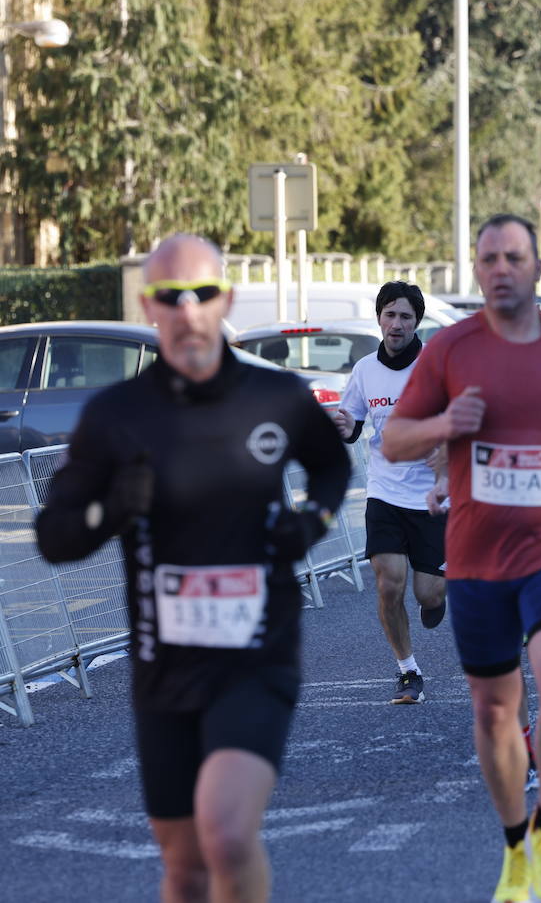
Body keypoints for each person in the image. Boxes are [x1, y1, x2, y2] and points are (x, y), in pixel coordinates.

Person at [34, 234, 350, 903]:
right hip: (165, 667)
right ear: (149, 308)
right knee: (183, 866)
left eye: (202, 294)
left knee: (228, 833)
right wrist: (111, 511)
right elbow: (55, 537)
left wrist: (310, 522)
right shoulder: (116, 416)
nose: (187, 310)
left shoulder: (276, 397)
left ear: (225, 300)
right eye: (168, 298)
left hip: (258, 655)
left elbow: (331, 463)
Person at [383, 214, 541, 903]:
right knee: (495, 712)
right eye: (488, 258)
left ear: (535, 266)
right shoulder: (450, 350)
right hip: (475, 558)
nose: (500, 268)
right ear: (476, 267)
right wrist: (444, 424)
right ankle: (515, 846)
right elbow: (394, 440)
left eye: (513, 257)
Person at [332, 281, 448, 704]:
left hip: (433, 497)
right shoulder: (365, 370)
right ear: (379, 317)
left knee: (428, 594)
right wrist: (345, 427)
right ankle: (407, 671)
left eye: (405, 316)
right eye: (389, 315)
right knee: (388, 584)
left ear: (417, 321)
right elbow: (354, 422)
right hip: (384, 492)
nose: (396, 324)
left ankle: (440, 593)